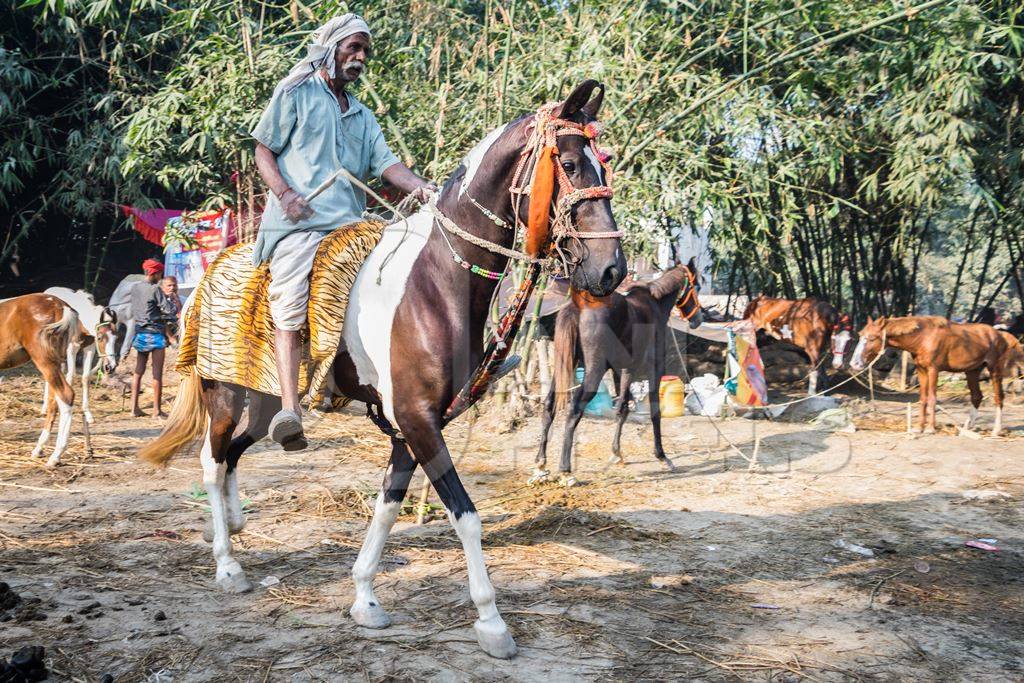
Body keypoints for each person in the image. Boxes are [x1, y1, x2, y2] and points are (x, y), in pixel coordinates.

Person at [251, 13, 435, 450]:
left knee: (404, 275)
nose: (360, 57)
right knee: (290, 300)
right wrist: (286, 194)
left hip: (352, 225)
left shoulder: (364, 115)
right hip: (301, 224)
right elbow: (263, 150)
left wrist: (424, 188)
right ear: (330, 48)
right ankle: (290, 409)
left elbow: (387, 165)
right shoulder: (294, 91)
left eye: (365, 51)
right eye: (353, 48)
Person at [129, 259, 174, 418]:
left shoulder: (135, 288)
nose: (160, 277)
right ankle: (156, 410)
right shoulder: (155, 289)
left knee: (138, 372)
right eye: (160, 274)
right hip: (155, 334)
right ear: (154, 273)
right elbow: (169, 311)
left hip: (140, 333)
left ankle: (133, 408)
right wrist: (170, 298)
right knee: (157, 373)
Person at [159, 276, 183, 345]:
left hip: (179, 326)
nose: (172, 288)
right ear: (163, 288)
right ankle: (171, 339)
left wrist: (177, 301)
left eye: (174, 285)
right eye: (169, 285)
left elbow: (181, 315)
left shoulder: (183, 299)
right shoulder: (159, 300)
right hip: (165, 329)